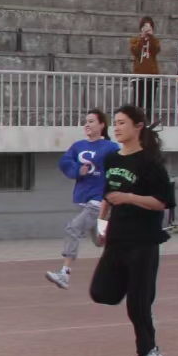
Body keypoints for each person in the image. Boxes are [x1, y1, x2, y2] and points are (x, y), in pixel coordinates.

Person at [89, 105, 175, 356]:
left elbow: (163, 202)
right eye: (115, 123)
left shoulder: (150, 163)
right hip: (117, 238)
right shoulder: (112, 159)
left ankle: (148, 351)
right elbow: (108, 194)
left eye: (122, 123)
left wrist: (129, 197)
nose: (116, 128)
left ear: (138, 126)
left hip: (143, 240)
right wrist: (101, 223)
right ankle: (137, 289)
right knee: (100, 292)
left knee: (137, 305)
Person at [45, 109, 119, 289]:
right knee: (100, 240)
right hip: (84, 199)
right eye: (86, 121)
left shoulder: (110, 148)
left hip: (98, 200)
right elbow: (64, 162)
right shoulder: (78, 146)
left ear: (102, 125)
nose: (87, 124)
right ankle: (126, 256)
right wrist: (78, 170)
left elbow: (122, 165)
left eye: (91, 121)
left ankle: (65, 274)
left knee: (73, 229)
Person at [129, 16, 161, 115]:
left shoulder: (155, 41)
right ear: (141, 28)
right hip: (139, 75)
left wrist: (151, 38)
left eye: (149, 27)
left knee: (149, 102)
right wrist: (142, 38)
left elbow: (156, 50)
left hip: (152, 75)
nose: (147, 29)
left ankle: (148, 121)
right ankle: (137, 121)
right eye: (145, 26)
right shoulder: (135, 40)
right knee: (138, 102)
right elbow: (135, 51)